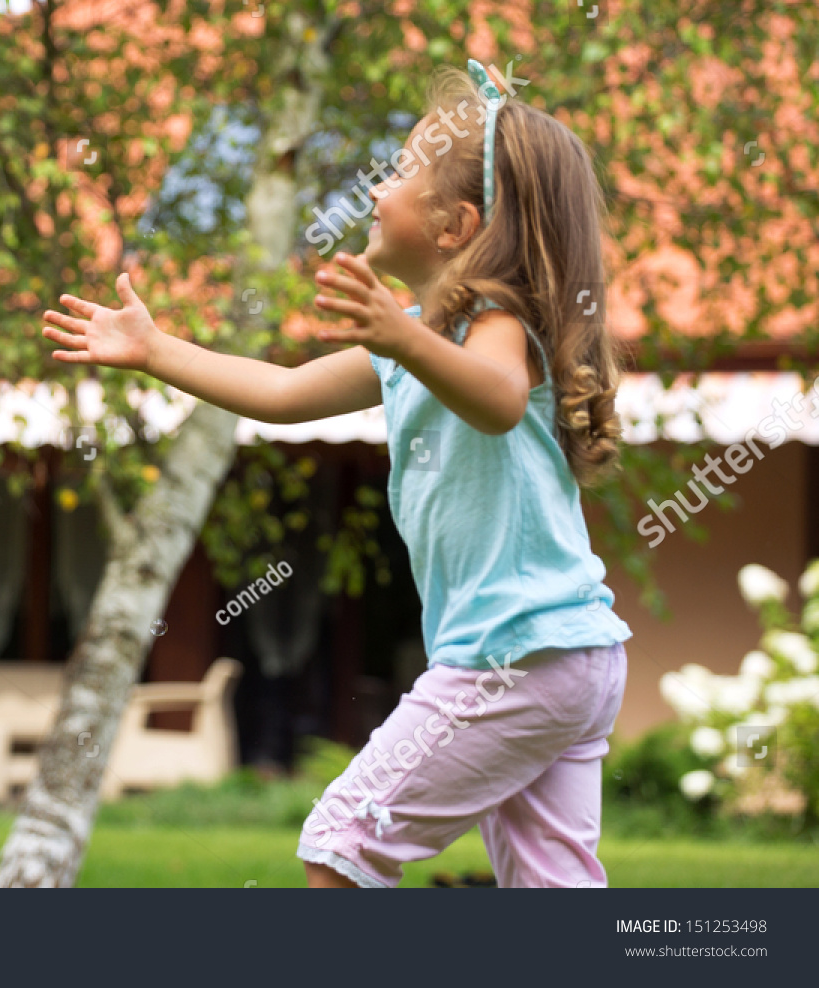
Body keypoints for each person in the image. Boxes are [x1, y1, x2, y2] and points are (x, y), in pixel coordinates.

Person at [41, 62, 631, 888]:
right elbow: (280, 394)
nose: (377, 188)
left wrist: (404, 340)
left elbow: (498, 402)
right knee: (550, 887)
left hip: (520, 651)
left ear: (456, 224)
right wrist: (155, 351)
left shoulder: (496, 324)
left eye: (395, 173)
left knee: (343, 840)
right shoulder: (413, 347)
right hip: (564, 658)